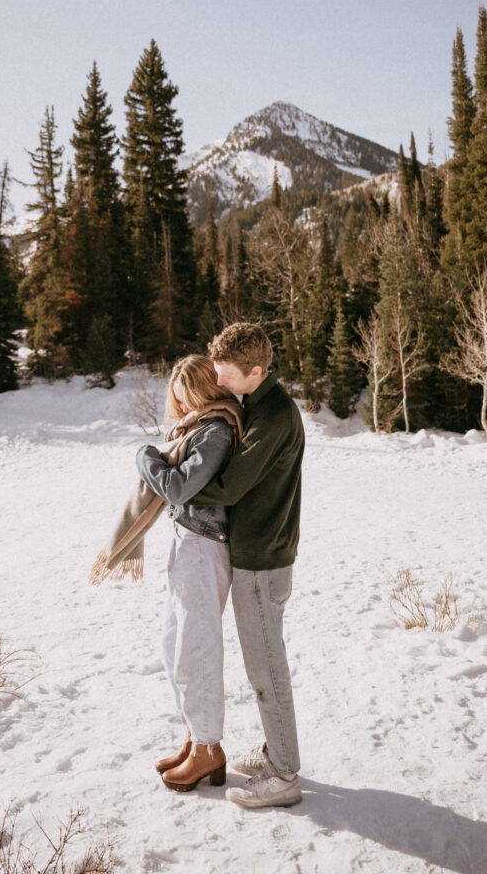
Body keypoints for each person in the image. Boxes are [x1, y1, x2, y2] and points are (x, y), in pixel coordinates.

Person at [190, 322, 305, 809]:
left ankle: (284, 775)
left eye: (226, 372)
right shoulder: (259, 403)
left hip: (262, 559)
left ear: (255, 371)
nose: (217, 379)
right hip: (262, 552)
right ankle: (277, 752)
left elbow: (231, 486)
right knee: (264, 664)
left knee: (266, 671)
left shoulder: (274, 416)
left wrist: (176, 486)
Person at [135, 355, 243, 792]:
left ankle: (207, 748)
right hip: (187, 544)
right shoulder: (198, 428)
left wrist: (146, 458)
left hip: (204, 548)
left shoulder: (216, 432)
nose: (181, 409)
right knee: (171, 648)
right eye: (177, 401)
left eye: (187, 398)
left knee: (195, 654)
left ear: (204, 392)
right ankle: (196, 738)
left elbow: (179, 486)